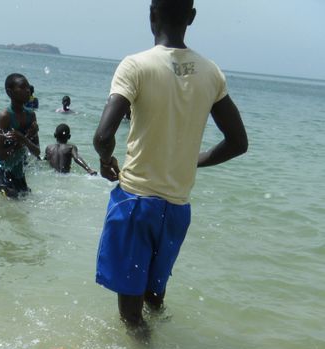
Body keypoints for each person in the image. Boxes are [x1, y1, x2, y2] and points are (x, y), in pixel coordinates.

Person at [93, 0, 248, 326]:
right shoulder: (211, 72)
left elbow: (103, 135)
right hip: (177, 208)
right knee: (154, 297)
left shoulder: (135, 66)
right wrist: (192, 162)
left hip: (135, 202)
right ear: (191, 17)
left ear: (152, 14)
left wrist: (106, 160)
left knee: (130, 315)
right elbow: (238, 143)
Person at [0, 72, 40, 198]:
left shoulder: (31, 115)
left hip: (19, 172)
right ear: (10, 92)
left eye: (28, 87)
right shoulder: (5, 117)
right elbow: (1, 155)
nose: (27, 90)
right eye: (23, 87)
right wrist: (24, 139)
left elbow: (37, 152)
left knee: (25, 204)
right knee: (10, 203)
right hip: (2, 171)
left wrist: (24, 138)